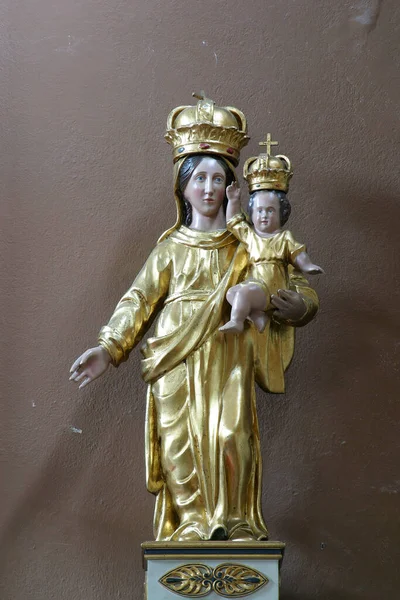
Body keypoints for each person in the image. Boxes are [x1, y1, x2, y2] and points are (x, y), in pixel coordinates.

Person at [69, 96, 319, 542]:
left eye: (218, 178)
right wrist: (108, 349)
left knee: (230, 436)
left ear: (230, 188)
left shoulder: (247, 242)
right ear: (181, 185)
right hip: (174, 355)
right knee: (178, 440)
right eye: (198, 177)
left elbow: (288, 278)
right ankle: (191, 524)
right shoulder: (169, 247)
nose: (208, 188)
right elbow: (139, 299)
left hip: (230, 351)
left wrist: (301, 306)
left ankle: (236, 523)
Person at [220, 183, 323, 334]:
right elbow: (233, 222)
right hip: (256, 284)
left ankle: (236, 322)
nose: (264, 215)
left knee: (244, 293)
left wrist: (307, 266)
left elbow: (297, 254)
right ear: (252, 214)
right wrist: (234, 200)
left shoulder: (284, 238)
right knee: (232, 294)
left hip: (271, 287)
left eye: (270, 211)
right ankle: (257, 315)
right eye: (259, 210)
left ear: (281, 214)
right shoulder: (251, 237)